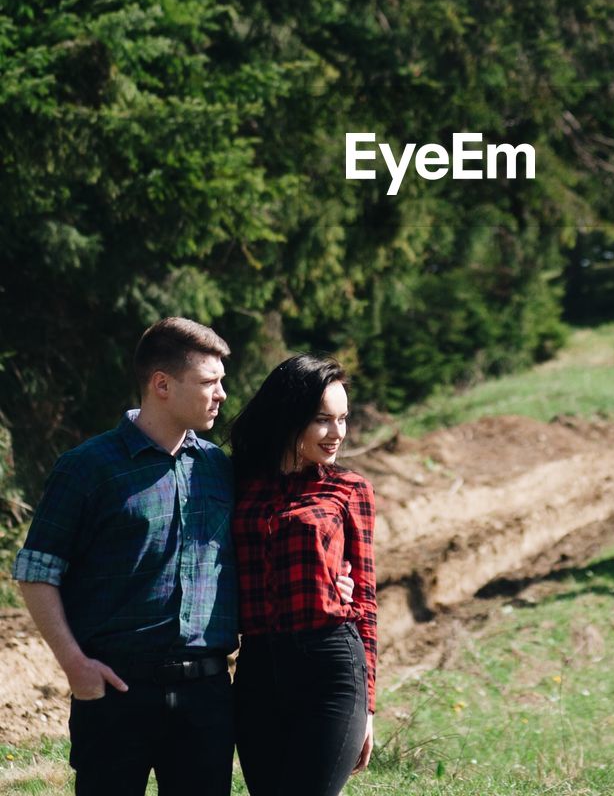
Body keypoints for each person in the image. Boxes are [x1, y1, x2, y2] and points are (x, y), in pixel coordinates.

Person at [13, 317, 357, 795]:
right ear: (162, 385)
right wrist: (74, 664)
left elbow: (274, 531)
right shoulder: (87, 468)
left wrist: (333, 576)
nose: (221, 395)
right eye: (209, 383)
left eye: (222, 382)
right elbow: (36, 571)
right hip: (115, 690)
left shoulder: (221, 468)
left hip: (207, 697)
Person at [229, 353, 377, 796]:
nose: (338, 434)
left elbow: (365, 599)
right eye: (322, 420)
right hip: (256, 670)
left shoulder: (349, 489)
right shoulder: (238, 483)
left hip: (329, 667)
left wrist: (368, 704)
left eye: (343, 419)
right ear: (288, 416)